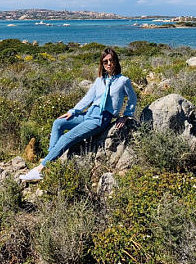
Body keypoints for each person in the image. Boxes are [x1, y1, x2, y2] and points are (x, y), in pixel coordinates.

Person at [20, 48, 137, 181]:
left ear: (116, 61)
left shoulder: (123, 81)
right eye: (105, 62)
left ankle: (40, 169)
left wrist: (126, 115)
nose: (109, 64)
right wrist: (73, 111)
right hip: (89, 113)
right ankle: (51, 160)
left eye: (111, 60)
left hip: (101, 118)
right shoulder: (100, 80)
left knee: (66, 138)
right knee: (58, 123)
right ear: (102, 64)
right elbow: (88, 98)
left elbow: (132, 98)